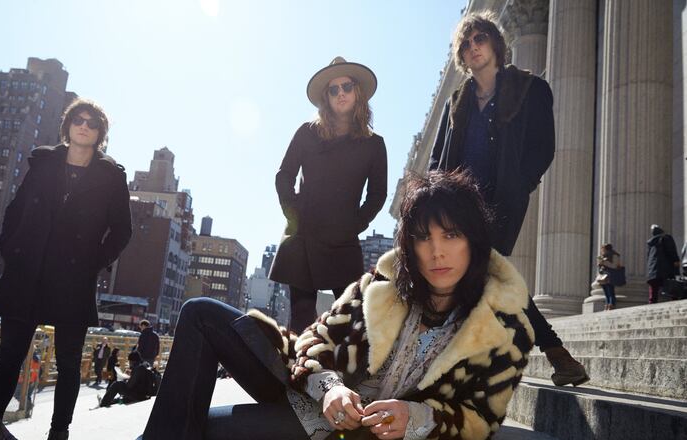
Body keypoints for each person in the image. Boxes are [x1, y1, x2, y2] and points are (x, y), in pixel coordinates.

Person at [140, 170, 534, 440]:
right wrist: (329, 387)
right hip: (310, 395)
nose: (437, 252)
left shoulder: (504, 328)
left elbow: (481, 421)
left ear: (473, 241)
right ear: (409, 245)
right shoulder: (380, 287)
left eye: (451, 235)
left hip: (350, 432)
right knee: (199, 313)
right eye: (422, 237)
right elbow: (316, 338)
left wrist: (416, 418)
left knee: (185, 427)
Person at [428, 11, 588, 387]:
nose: (473, 48)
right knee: (487, 277)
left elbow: (543, 147)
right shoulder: (457, 101)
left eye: (479, 39)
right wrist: (435, 194)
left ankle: (538, 357)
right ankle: (557, 358)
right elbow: (438, 157)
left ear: (495, 44)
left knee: (483, 273)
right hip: (458, 205)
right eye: (465, 45)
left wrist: (521, 184)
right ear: (461, 57)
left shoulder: (529, 88)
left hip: (501, 202)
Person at [0, 98, 132, 440]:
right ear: (68, 125)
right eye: (79, 119)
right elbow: (15, 209)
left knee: (70, 362)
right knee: (11, 355)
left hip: (73, 278)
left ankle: (58, 432)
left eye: (92, 122)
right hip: (27, 270)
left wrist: (94, 262)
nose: (84, 125)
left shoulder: (111, 176)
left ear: (100, 133)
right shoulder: (43, 162)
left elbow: (123, 230)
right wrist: (11, 248)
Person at [270, 56, 388, 334]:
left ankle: (350, 377)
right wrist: (294, 214)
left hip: (343, 241)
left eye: (346, 86)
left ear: (357, 92)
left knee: (354, 318)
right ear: (326, 97)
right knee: (300, 318)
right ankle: (298, 375)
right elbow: (283, 175)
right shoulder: (306, 133)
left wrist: (354, 224)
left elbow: (378, 195)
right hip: (303, 237)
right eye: (333, 90)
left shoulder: (374, 145)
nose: (341, 94)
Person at [646, 224, 680, 303]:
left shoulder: (650, 243)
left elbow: (648, 257)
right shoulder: (666, 237)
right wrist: (676, 260)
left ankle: (652, 303)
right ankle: (674, 302)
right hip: (666, 268)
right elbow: (671, 250)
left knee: (653, 289)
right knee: (672, 286)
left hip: (653, 270)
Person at [595, 244, 622, 311]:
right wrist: (600, 264)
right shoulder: (603, 256)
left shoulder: (614, 255)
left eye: (603, 249)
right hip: (603, 276)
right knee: (606, 292)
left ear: (606, 249)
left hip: (610, 275)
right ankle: (607, 304)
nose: (602, 251)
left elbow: (614, 266)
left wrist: (604, 263)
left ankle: (612, 304)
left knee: (610, 291)